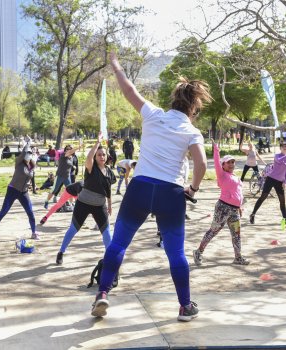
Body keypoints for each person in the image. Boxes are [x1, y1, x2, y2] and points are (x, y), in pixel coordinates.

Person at [90, 52, 211, 322]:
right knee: (175, 253)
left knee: (119, 243)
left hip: (140, 188)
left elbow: (128, 89)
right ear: (193, 108)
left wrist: (115, 64)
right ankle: (184, 307)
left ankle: (103, 293)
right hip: (171, 193)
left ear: (173, 100)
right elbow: (201, 165)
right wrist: (193, 189)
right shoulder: (192, 132)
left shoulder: (153, 114)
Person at [55, 132, 116, 265]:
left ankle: (110, 258)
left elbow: (108, 190)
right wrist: (97, 143)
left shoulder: (109, 172)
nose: (102, 156)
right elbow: (89, 156)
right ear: (95, 156)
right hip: (83, 203)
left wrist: (110, 205)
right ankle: (61, 252)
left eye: (104, 154)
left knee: (106, 231)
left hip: (100, 205)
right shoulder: (90, 168)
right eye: (99, 154)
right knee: (73, 229)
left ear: (107, 157)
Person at [193, 139, 249, 267]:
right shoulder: (222, 175)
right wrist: (216, 149)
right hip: (223, 207)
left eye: (233, 162)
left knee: (236, 234)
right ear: (223, 165)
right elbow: (217, 162)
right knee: (213, 231)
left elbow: (239, 194)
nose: (231, 164)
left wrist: (240, 207)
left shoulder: (235, 177)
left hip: (235, 209)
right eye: (228, 162)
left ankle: (238, 257)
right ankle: (198, 252)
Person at [0, 136, 39, 242]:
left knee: (30, 212)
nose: (29, 155)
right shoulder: (19, 162)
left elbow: (31, 178)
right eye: (28, 154)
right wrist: (28, 144)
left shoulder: (32, 167)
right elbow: (24, 152)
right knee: (4, 211)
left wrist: (33, 187)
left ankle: (34, 232)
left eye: (31, 154)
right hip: (12, 190)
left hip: (23, 192)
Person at [250, 141, 286, 228]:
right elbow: (280, 161)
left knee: (282, 201)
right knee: (263, 197)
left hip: (279, 182)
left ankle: (284, 220)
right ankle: (253, 214)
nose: (285, 147)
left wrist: (284, 182)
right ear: (280, 148)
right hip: (271, 179)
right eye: (283, 146)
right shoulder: (277, 156)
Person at [44, 144, 81, 209]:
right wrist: (78, 147)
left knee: (71, 190)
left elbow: (69, 165)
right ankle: (46, 201)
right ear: (65, 150)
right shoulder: (63, 155)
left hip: (67, 177)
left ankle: (72, 204)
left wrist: (73, 167)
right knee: (54, 190)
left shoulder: (72, 157)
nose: (68, 150)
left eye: (70, 149)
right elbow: (69, 153)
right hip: (60, 176)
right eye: (67, 149)